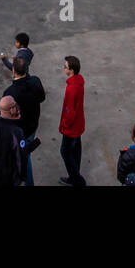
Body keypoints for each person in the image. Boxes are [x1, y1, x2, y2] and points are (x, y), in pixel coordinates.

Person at [3, 55, 46, 185]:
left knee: (23, 156)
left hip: (20, 131)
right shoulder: (35, 81)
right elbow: (42, 98)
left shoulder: (10, 92)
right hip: (33, 125)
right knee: (25, 152)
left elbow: (7, 117)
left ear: (13, 70)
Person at [58, 55, 86, 186]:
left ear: (72, 70)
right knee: (76, 151)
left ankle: (77, 179)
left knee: (65, 151)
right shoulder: (79, 82)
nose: (64, 68)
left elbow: (70, 112)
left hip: (71, 128)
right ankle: (74, 175)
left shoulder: (71, 89)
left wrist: (64, 125)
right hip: (79, 124)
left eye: (65, 67)